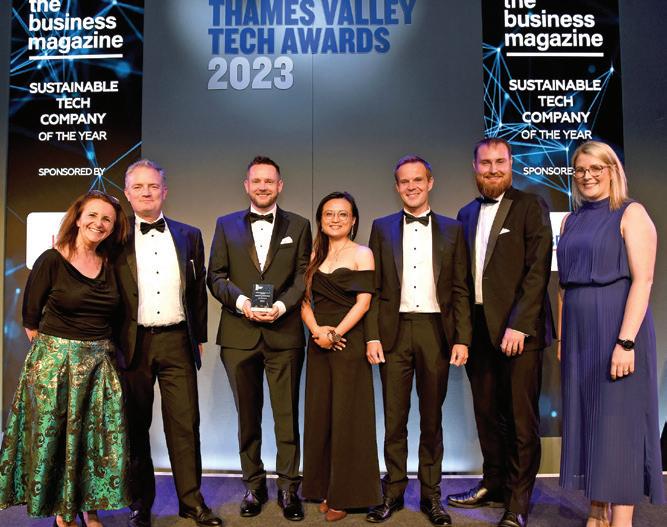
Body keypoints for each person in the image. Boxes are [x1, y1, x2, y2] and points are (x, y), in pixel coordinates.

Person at [0, 190, 130, 527]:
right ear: (78, 218)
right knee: (59, 441)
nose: (99, 223)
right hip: (55, 368)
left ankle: (90, 509)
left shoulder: (110, 264)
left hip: (99, 367)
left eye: (107, 219)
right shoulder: (51, 259)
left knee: (94, 443)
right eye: (93, 215)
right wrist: (59, 358)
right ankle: (63, 511)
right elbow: (30, 320)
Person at [557, 141, 664, 527]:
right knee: (591, 420)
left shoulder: (632, 213)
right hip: (579, 336)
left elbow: (643, 280)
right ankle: (597, 511)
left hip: (616, 330)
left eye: (595, 169)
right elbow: (564, 287)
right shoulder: (570, 221)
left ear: (613, 171)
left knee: (618, 425)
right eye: (580, 170)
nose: (587, 176)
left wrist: (626, 342)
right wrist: (562, 339)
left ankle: (621, 521)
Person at [447, 138, 553, 527]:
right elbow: (461, 280)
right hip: (479, 332)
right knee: (487, 415)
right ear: (475, 167)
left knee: (522, 421)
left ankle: (518, 502)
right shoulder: (465, 213)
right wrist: (462, 334)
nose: (493, 169)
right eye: (485, 163)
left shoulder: (531, 205)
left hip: (519, 332)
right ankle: (494, 483)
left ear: (511, 164)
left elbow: (538, 270)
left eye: (500, 162)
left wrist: (519, 324)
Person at [365, 155, 471, 526]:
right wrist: (372, 336)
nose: (411, 187)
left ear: (430, 182)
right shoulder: (381, 228)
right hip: (393, 333)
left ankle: (431, 496)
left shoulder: (453, 229)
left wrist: (462, 338)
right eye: (404, 181)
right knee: (394, 420)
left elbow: (460, 288)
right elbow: (374, 289)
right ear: (397, 187)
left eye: (418, 180)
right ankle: (392, 493)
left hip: (435, 332)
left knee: (432, 419)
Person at [115, 160, 222, 527]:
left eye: (153, 186)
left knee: (185, 425)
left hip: (178, 340)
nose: (146, 192)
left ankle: (191, 501)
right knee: (135, 427)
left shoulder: (190, 234)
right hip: (132, 345)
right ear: (127, 193)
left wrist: (198, 338)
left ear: (165, 191)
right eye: (139, 187)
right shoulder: (115, 238)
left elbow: (197, 292)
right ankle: (139, 504)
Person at [207, 156, 311, 521]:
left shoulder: (299, 225)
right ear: (246, 185)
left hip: (284, 334)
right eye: (257, 181)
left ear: (280, 185)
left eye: (269, 181)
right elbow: (215, 276)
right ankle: (253, 485)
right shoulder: (225, 225)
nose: (263, 186)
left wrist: (281, 306)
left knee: (287, 416)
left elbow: (302, 277)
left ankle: (288, 487)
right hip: (239, 335)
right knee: (247, 418)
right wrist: (243, 303)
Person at [301, 192, 381, 522]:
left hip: (348, 343)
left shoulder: (363, 253)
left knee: (348, 418)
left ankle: (347, 496)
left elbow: (364, 303)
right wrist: (317, 331)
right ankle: (326, 488)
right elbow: (304, 301)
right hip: (318, 343)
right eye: (329, 214)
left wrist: (334, 334)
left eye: (342, 214)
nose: (335, 219)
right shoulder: (313, 255)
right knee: (321, 416)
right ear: (320, 220)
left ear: (353, 220)